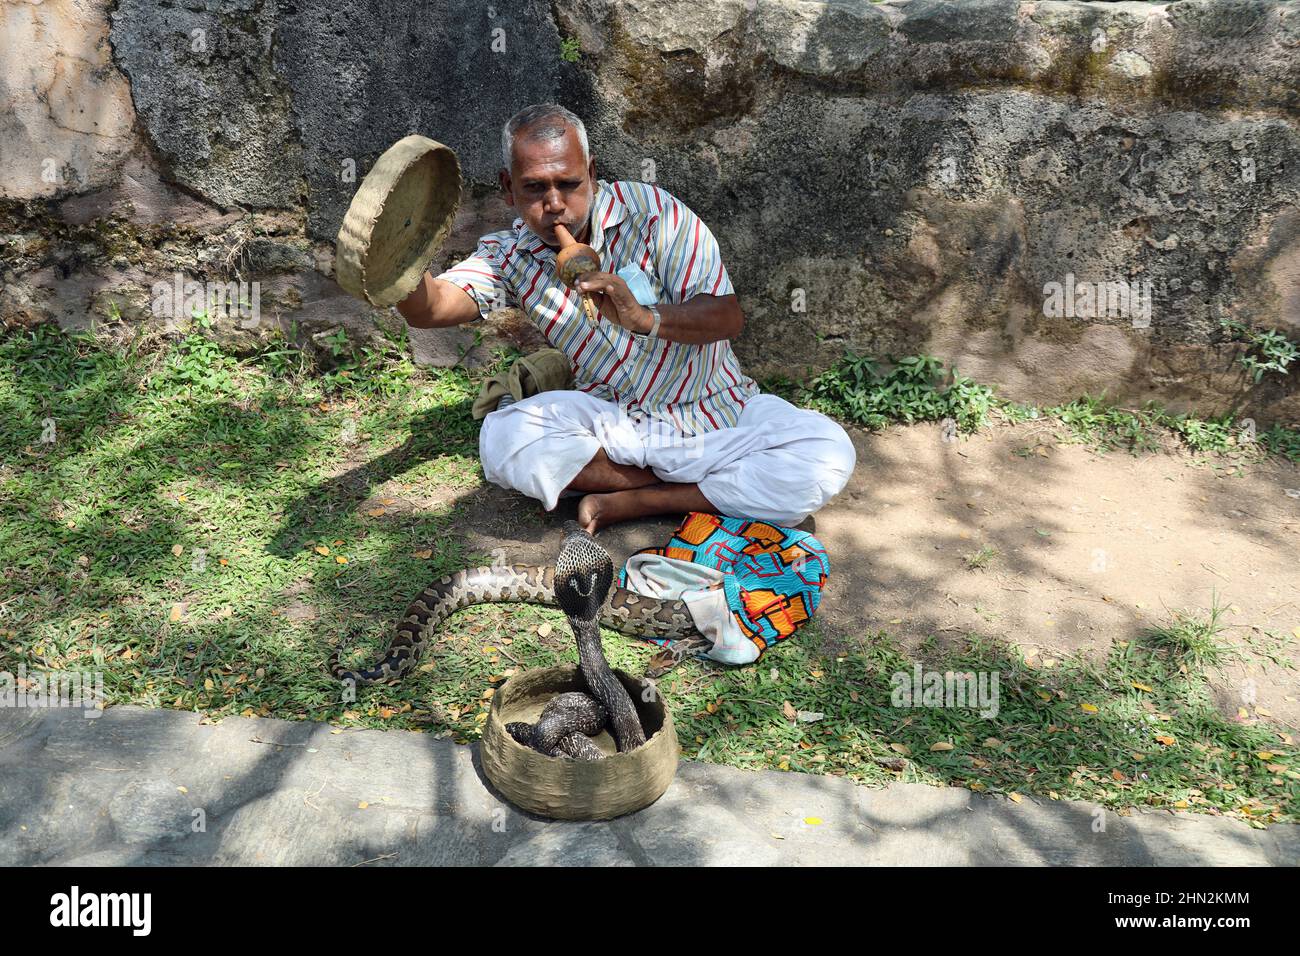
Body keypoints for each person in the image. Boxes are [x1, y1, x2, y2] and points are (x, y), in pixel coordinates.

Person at [396, 103, 856, 533]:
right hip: (617, 423)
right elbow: (429, 308)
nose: (554, 204)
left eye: (569, 184)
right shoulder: (509, 255)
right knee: (503, 439)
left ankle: (645, 500)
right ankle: (705, 490)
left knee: (827, 454)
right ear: (507, 188)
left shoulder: (656, 215)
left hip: (718, 414)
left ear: (592, 174)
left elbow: (727, 317)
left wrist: (644, 317)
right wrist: (405, 245)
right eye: (534, 187)